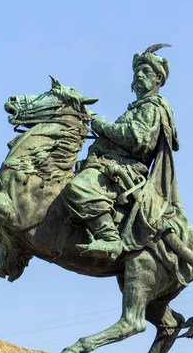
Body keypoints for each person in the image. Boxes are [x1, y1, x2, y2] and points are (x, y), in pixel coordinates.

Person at [63, 44, 185, 261]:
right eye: (136, 71)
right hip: (107, 163)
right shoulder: (137, 108)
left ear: (158, 78)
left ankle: (110, 238)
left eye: (145, 71)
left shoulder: (153, 107)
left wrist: (102, 126)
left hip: (125, 171)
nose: (138, 75)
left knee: (78, 188)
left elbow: (138, 138)